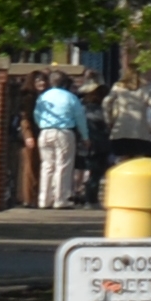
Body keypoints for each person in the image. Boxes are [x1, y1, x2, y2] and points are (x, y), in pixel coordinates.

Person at [31, 72, 91, 210]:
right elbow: (79, 118)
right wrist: (85, 136)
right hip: (64, 132)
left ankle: (44, 199)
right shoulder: (70, 97)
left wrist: (42, 125)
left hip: (45, 132)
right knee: (63, 166)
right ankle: (60, 199)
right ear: (65, 83)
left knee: (47, 166)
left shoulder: (43, 97)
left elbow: (36, 115)